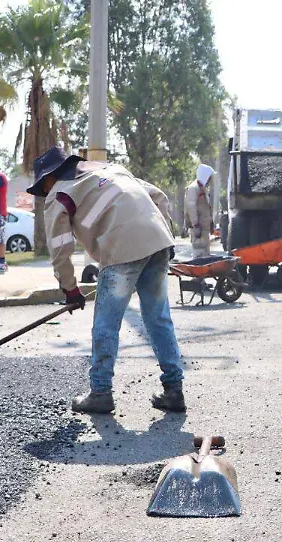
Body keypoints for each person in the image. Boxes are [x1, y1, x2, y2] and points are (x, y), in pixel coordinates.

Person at [30, 147, 185, 415]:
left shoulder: (59, 193)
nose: (44, 192)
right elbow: (158, 196)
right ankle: (174, 390)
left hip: (122, 247)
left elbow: (59, 248)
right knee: (158, 318)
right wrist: (167, 235)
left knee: (106, 324)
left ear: (48, 178)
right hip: (158, 241)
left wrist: (70, 290)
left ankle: (100, 392)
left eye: (42, 186)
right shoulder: (112, 169)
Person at [184, 164, 216, 257]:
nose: (210, 180)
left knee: (205, 254)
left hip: (204, 227)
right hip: (198, 228)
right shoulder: (193, 188)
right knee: (199, 252)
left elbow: (207, 206)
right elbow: (191, 206)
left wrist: (210, 222)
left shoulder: (203, 188)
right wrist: (195, 224)